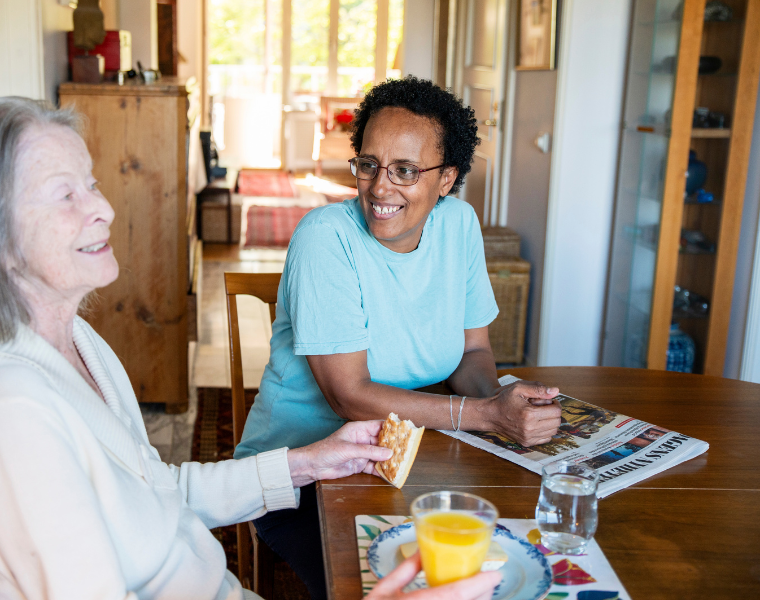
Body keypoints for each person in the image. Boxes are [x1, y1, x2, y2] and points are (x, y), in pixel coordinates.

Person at [0, 97, 501, 600]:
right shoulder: (10, 416)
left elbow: (156, 491)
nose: (102, 208)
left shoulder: (75, 342)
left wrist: (310, 462)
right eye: (64, 194)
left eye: (93, 183)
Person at [233, 77, 563, 598]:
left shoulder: (459, 225)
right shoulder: (325, 237)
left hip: (413, 458)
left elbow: (473, 352)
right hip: (304, 476)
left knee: (503, 568)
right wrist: (482, 416)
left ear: (447, 179)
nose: (380, 187)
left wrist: (501, 405)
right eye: (369, 164)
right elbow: (349, 395)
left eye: (405, 170)